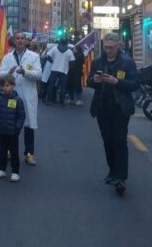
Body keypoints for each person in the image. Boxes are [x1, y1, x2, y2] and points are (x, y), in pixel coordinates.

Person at [87, 32, 139, 195]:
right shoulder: (97, 62)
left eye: (111, 47)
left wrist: (117, 81)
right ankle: (113, 170)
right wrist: (95, 80)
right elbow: (88, 81)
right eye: (106, 47)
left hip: (120, 108)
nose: (108, 50)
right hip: (102, 107)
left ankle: (121, 177)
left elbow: (135, 83)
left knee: (120, 141)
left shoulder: (127, 62)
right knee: (108, 141)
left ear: (118, 46)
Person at [0, 32, 42, 166]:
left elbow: (39, 75)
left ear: (26, 41)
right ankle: (10, 151)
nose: (20, 41)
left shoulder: (34, 56)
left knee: (29, 125)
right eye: (18, 38)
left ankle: (29, 154)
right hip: (11, 97)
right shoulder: (7, 57)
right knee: (11, 124)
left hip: (28, 95)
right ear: (14, 41)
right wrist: (9, 72)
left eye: (22, 38)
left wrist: (25, 72)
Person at [0, 75, 26, 182]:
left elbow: (21, 116)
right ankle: (2, 169)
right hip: (2, 130)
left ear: (13, 86)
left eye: (9, 85)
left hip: (13, 132)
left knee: (14, 152)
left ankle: (15, 172)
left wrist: (17, 127)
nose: (6, 88)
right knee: (3, 151)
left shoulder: (18, 100)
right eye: (4, 86)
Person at [46, 39, 75, 105]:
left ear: (60, 43)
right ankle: (62, 101)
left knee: (51, 85)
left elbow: (48, 57)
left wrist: (53, 62)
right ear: (67, 44)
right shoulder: (69, 51)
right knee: (63, 86)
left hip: (54, 69)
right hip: (64, 70)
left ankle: (49, 100)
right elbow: (72, 62)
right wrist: (68, 66)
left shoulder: (55, 48)